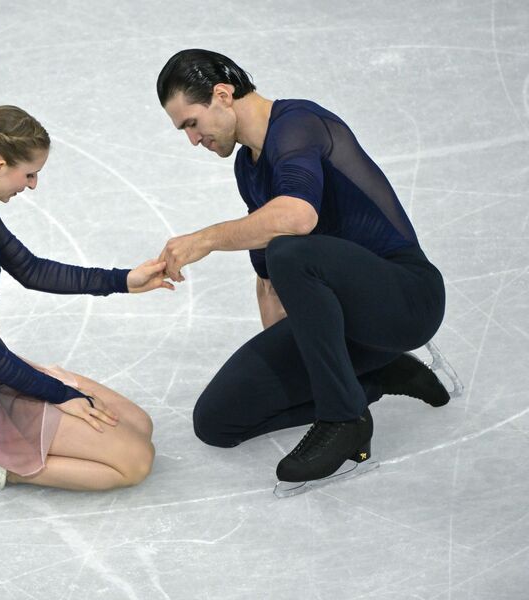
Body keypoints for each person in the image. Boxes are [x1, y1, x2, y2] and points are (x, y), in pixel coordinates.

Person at [155, 49, 452, 488]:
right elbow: (269, 283)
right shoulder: (247, 168)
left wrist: (205, 239)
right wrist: (288, 363)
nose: (193, 140)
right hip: (345, 325)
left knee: (290, 252)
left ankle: (344, 418)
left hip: (406, 300)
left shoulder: (296, 126)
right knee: (217, 421)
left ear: (222, 94)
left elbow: (297, 218)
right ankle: (375, 376)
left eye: (192, 124)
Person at [0, 102, 171, 491]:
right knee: (135, 462)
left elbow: (30, 269)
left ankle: (1, 432)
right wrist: (60, 394)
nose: (32, 185)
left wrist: (125, 279)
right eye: (29, 174)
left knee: (140, 425)